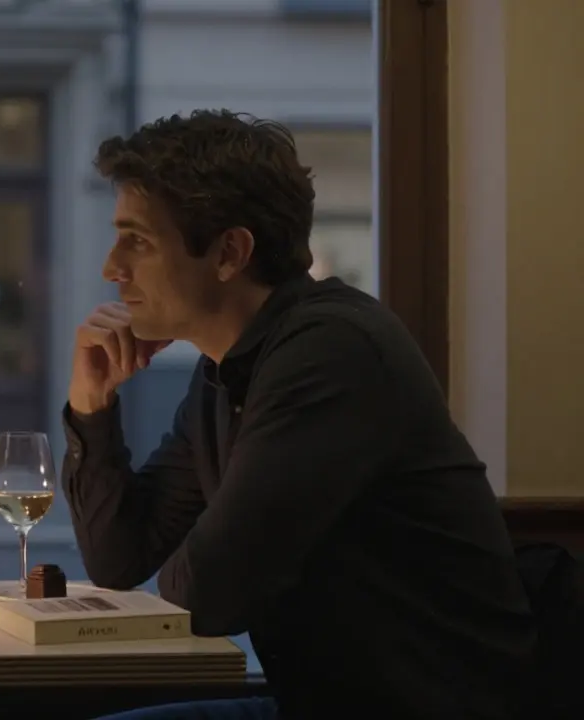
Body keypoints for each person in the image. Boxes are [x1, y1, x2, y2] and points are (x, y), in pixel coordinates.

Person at [64, 111, 534, 719]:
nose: (111, 268)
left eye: (139, 241)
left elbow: (207, 594)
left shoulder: (331, 352)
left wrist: (208, 557)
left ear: (230, 252)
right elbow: (119, 560)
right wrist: (91, 404)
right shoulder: (225, 371)